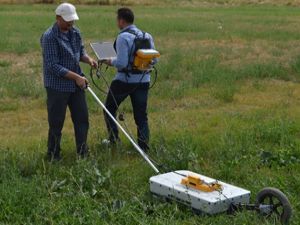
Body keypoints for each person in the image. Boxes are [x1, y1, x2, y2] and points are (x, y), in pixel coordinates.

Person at [41, 3, 97, 160]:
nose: (71, 23)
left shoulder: (75, 32)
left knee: (82, 119)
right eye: (67, 20)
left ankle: (82, 153)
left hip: (76, 85)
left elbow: (79, 52)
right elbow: (53, 66)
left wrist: (89, 59)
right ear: (58, 18)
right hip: (57, 87)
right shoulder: (49, 37)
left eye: (72, 20)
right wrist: (77, 77)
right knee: (56, 122)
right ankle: (53, 155)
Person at [103, 7, 158, 152]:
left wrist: (109, 61)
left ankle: (114, 140)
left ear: (121, 21)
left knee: (109, 108)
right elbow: (154, 60)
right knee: (141, 115)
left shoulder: (123, 37)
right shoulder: (147, 36)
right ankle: (143, 147)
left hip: (124, 81)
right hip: (143, 80)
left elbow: (121, 62)